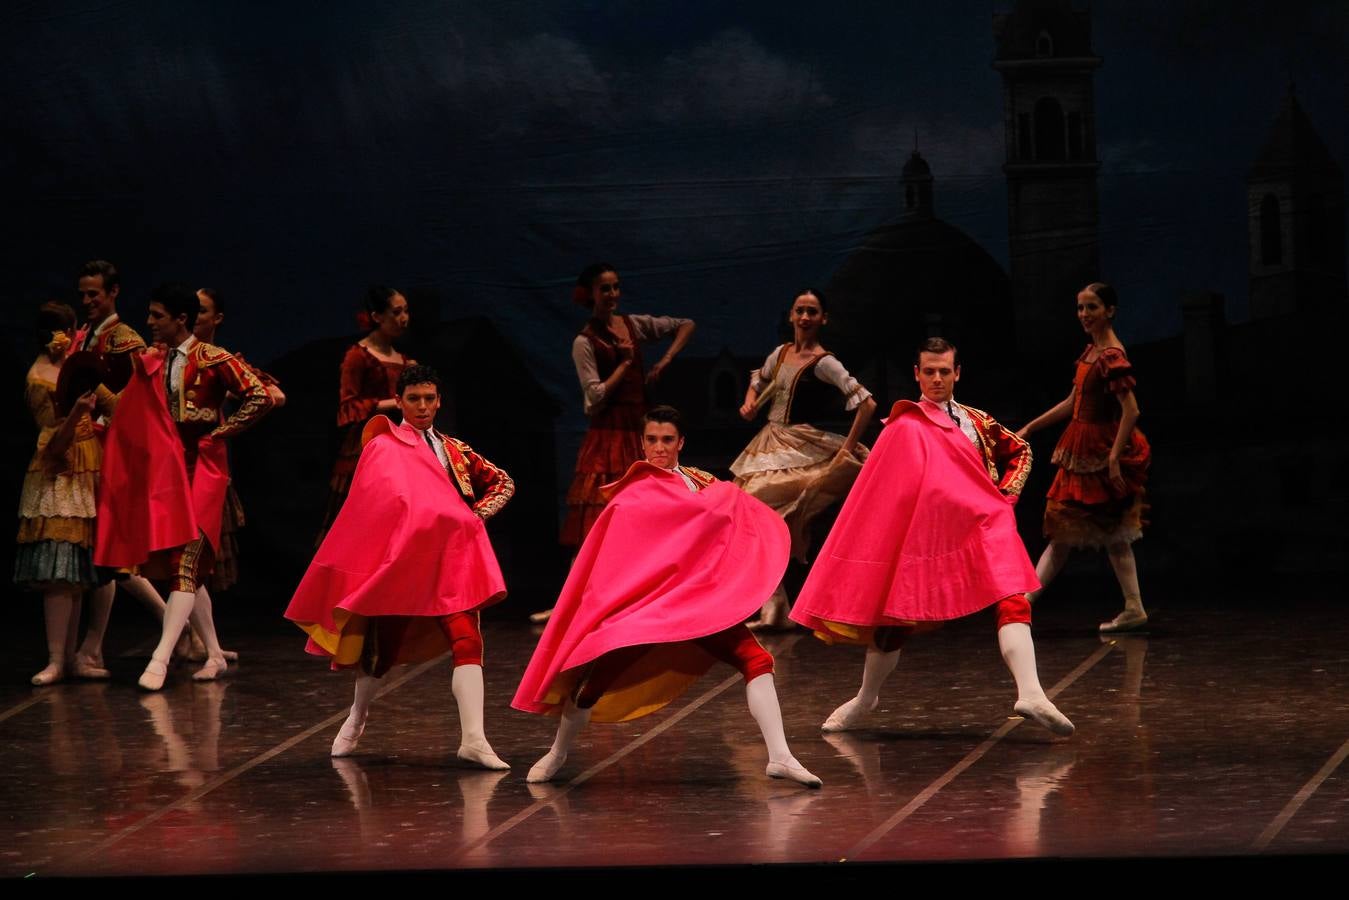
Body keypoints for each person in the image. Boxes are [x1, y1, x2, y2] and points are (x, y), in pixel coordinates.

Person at [515, 406, 821, 788]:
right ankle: (558, 752)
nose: (659, 448)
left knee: (757, 660)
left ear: (681, 443)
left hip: (701, 605)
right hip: (650, 612)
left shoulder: (703, 483)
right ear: (642, 443)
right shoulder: (632, 494)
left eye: (667, 440)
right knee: (593, 684)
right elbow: (615, 560)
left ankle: (781, 757)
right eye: (652, 440)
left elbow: (732, 526)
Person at [791, 338, 1073, 737]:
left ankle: (1031, 692)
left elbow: (1021, 450)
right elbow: (884, 489)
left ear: (957, 373)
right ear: (917, 374)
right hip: (928, 537)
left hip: (982, 526)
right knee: (896, 621)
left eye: (944, 371)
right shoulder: (905, 425)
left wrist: (1005, 495)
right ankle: (866, 698)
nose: (937, 378)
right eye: (929, 371)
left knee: (1012, 597)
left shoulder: (977, 422)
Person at [286, 365, 514, 769]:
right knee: (381, 653)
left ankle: (474, 739)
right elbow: (371, 506)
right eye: (414, 399)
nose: (423, 406)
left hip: (449, 564)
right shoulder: (384, 447)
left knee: (468, 641)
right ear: (400, 401)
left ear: (439, 401)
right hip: (405, 566)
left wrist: (475, 516)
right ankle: (356, 718)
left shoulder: (456, 451)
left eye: (429, 399)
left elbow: (503, 482)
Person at [95, 282, 273, 691]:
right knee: (184, 568)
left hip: (204, 469)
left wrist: (222, 432)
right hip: (169, 471)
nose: (150, 322)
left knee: (185, 564)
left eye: (158, 316)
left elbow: (260, 396)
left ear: (180, 319)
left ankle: (159, 657)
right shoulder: (154, 361)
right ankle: (213, 652)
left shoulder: (212, 358)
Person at [732, 289, 876, 629]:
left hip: (800, 445)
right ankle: (775, 603)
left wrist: (847, 448)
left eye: (812, 311)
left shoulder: (824, 362)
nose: (805, 317)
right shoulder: (781, 354)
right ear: (791, 316)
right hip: (768, 444)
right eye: (800, 310)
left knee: (756, 511)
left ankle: (778, 605)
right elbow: (759, 378)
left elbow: (866, 403)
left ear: (823, 319)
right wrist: (750, 400)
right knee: (749, 517)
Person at [1016, 283, 1151, 633]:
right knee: (1098, 532)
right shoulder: (1092, 352)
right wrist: (1031, 427)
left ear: (1110, 310)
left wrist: (1114, 458)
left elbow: (1131, 411)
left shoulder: (1111, 356)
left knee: (1095, 530)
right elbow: (1070, 403)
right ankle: (1133, 606)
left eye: (1091, 307)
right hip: (1081, 447)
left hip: (1097, 450)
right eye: (1080, 308)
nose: (1084, 315)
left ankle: (1024, 604)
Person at [15, 302, 117, 684]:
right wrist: (77, 413)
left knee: (84, 570)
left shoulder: (78, 367)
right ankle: (57, 659)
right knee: (60, 568)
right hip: (58, 472)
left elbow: (115, 405)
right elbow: (53, 445)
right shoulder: (39, 377)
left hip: (90, 467)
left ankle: (78, 656)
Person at [193, 287, 286, 594]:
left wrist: (225, 427)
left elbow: (274, 396)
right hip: (174, 457)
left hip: (206, 460)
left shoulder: (221, 361)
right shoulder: (174, 356)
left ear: (217, 318)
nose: (194, 316)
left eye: (203, 310)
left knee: (200, 552)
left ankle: (193, 635)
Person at [317, 286, 414, 543]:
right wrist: (393, 403)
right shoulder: (358, 356)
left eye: (406, 311)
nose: (404, 318)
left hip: (402, 441)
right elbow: (348, 405)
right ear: (377, 316)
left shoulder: (405, 361)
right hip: (367, 442)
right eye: (396, 312)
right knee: (361, 521)